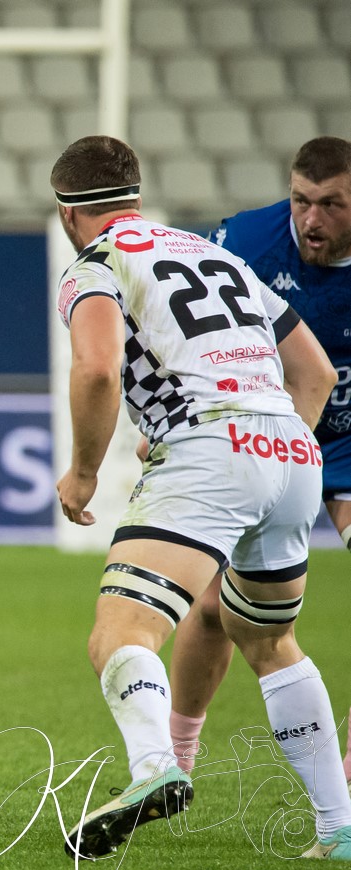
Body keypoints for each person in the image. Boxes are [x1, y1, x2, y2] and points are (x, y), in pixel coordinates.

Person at [49, 135, 351, 862]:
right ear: (134, 198)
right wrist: (274, 446)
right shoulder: (215, 255)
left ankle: (155, 767)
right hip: (290, 451)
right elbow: (313, 372)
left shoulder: (96, 264)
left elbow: (95, 370)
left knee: (120, 630)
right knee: (268, 639)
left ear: (67, 214)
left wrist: (84, 471)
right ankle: (338, 826)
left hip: (206, 446)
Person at [167, 136, 351, 787]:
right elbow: (182, 328)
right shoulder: (243, 240)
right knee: (215, 604)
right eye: (301, 200)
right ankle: (174, 760)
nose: (310, 219)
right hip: (268, 429)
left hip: (347, 441)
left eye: (331, 205)